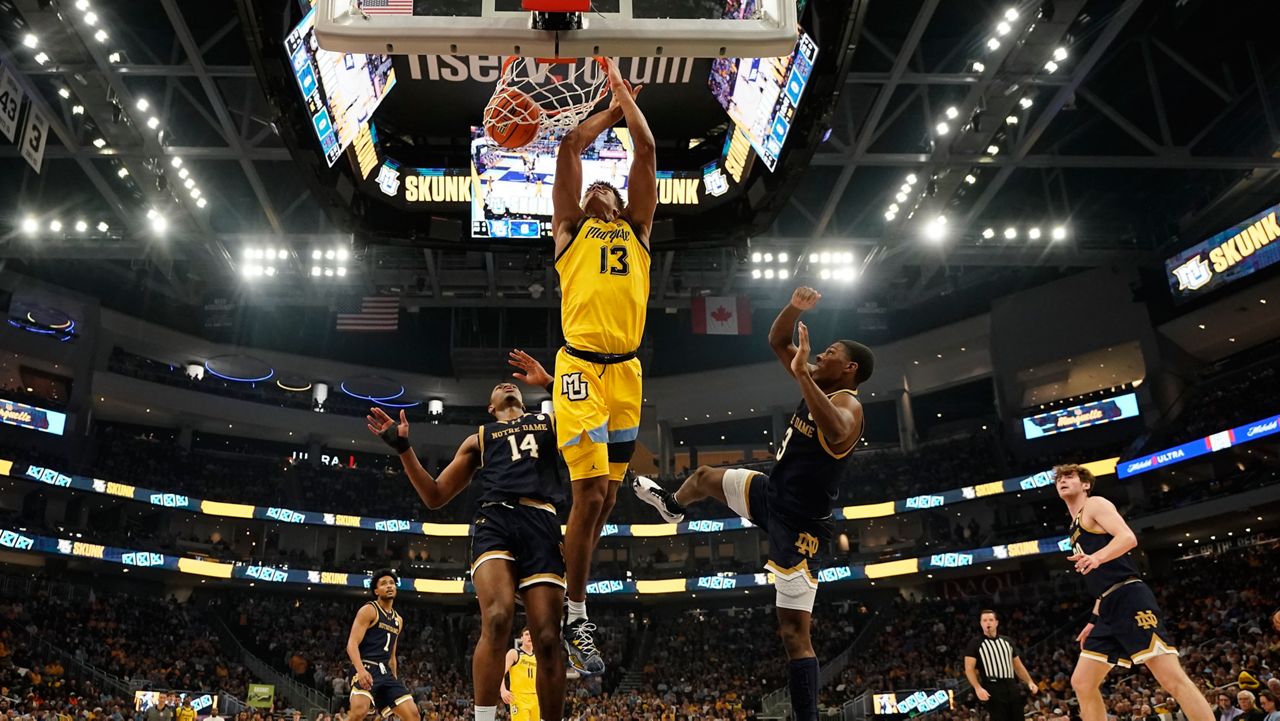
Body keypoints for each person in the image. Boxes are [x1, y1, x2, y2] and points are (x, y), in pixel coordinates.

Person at [630, 285, 873, 721]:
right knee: (703, 478)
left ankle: (807, 717)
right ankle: (673, 506)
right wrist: (793, 308)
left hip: (802, 525)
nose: (820, 356)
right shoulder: (815, 379)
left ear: (850, 368)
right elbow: (778, 341)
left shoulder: (850, 406)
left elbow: (836, 431)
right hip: (771, 493)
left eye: (830, 352)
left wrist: (802, 374)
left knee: (793, 634)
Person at [367, 382, 567, 721]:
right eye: (499, 386)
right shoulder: (480, 438)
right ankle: (484, 718)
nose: (506, 384)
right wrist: (403, 448)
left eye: (513, 384)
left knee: (547, 637)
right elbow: (434, 495)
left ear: (524, 399)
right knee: (499, 617)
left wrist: (551, 382)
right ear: (490, 408)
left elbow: (592, 420)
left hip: (542, 521)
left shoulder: (552, 423)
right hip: (496, 519)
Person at [548, 57, 656, 675]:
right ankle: (577, 611)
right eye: (589, 188)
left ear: (618, 201)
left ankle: (578, 594)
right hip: (579, 369)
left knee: (606, 499)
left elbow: (644, 146)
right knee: (587, 493)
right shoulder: (568, 232)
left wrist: (624, 106)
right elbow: (568, 144)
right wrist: (609, 105)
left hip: (627, 374)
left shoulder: (638, 231)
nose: (595, 190)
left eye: (604, 188)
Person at [1054, 464, 1214, 721]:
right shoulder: (1073, 527)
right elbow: (1102, 583)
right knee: (1082, 682)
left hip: (1130, 597)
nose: (1063, 480)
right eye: (1059, 478)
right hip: (1108, 606)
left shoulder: (1095, 504)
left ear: (1085, 484)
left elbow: (1128, 538)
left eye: (1069, 476)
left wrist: (1097, 557)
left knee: (1172, 679)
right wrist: (1093, 620)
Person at [344, 569, 419, 721]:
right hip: (366, 666)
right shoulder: (369, 610)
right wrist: (360, 670)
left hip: (386, 672)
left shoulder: (398, 620)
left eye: (392, 583)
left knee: (413, 715)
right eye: (384, 584)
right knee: (359, 711)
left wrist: (395, 680)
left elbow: (392, 655)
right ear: (376, 591)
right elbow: (351, 644)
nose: (389, 586)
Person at [963, 609, 1040, 721]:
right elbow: (969, 669)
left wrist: (1029, 681)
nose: (988, 623)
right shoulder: (975, 643)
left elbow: (1018, 666)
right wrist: (977, 688)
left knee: (1018, 716)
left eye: (990, 620)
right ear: (980, 623)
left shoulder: (1007, 641)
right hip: (992, 686)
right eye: (984, 620)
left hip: (1011, 684)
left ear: (996, 622)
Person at [501, 629, 539, 721]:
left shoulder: (538, 656)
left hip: (536, 697)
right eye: (526, 634)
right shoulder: (514, 653)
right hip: (519, 697)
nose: (529, 637)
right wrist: (503, 690)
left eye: (532, 634)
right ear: (521, 638)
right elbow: (500, 673)